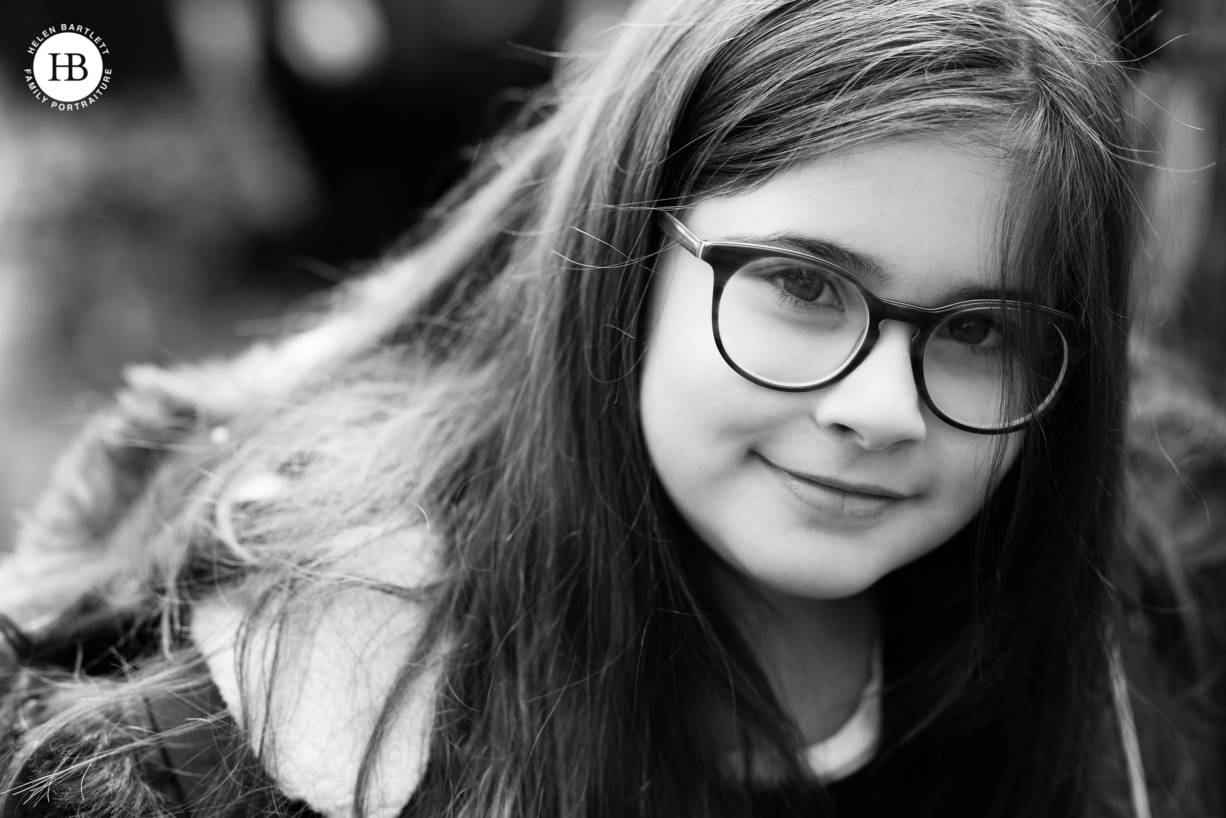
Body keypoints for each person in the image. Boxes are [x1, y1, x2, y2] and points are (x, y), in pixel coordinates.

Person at [0, 0, 1222, 816]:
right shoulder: (278, 712)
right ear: (623, 260)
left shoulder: (1146, 642)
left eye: (977, 329)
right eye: (801, 286)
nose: (880, 406)